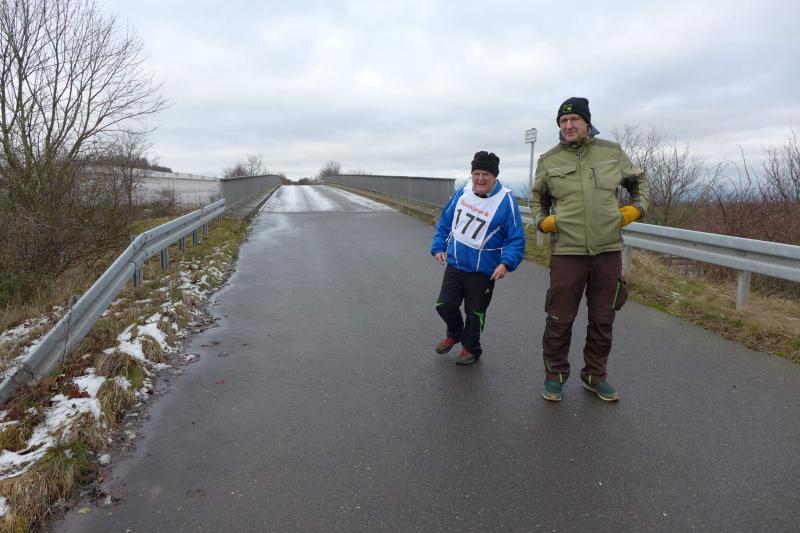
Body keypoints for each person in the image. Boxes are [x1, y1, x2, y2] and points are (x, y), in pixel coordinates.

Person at [531, 97, 650, 401]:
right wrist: (543, 221)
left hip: (607, 250)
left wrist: (637, 209)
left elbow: (639, 180)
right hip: (567, 252)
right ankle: (555, 376)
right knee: (559, 318)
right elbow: (537, 198)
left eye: (574, 120)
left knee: (602, 318)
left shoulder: (611, 152)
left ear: (587, 122)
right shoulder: (549, 160)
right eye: (563, 121)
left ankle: (595, 376)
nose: (568, 125)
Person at [430, 151, 526, 365]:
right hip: (456, 263)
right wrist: (438, 246)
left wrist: (506, 263)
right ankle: (455, 333)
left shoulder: (506, 200)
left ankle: (471, 348)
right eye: (476, 173)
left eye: (486, 174)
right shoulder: (463, 192)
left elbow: (516, 238)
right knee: (444, 305)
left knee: (475, 314)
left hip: (483, 271)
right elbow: (445, 220)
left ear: (495, 176)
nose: (480, 179)